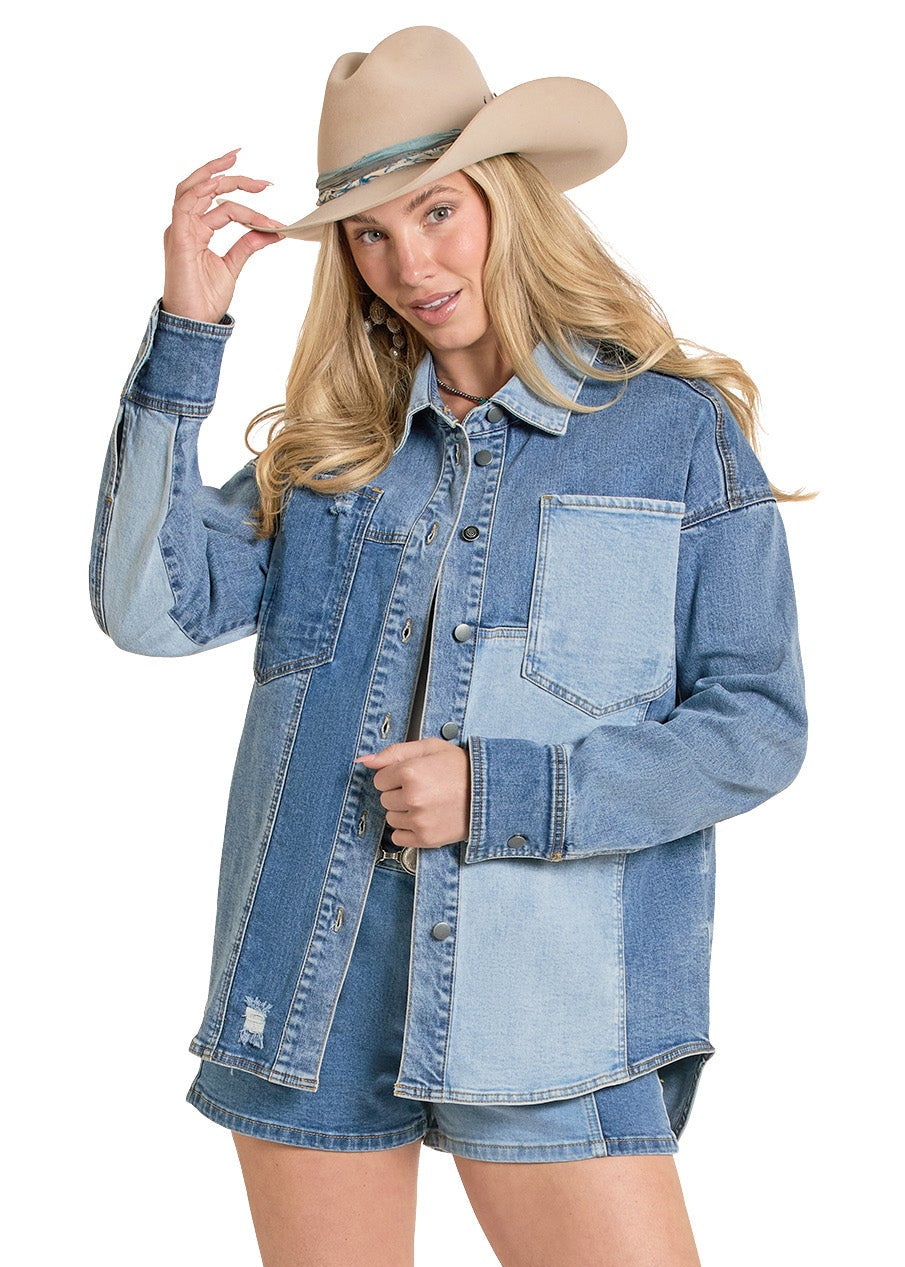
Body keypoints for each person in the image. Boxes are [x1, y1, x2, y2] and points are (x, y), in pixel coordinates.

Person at [88, 25, 808, 1267]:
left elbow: (755, 726)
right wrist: (186, 335)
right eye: (367, 233)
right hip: (312, 993)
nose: (404, 262)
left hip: (553, 1010)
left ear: (506, 201)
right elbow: (146, 606)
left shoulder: (668, 435)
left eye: (435, 211)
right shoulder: (331, 458)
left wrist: (503, 789)